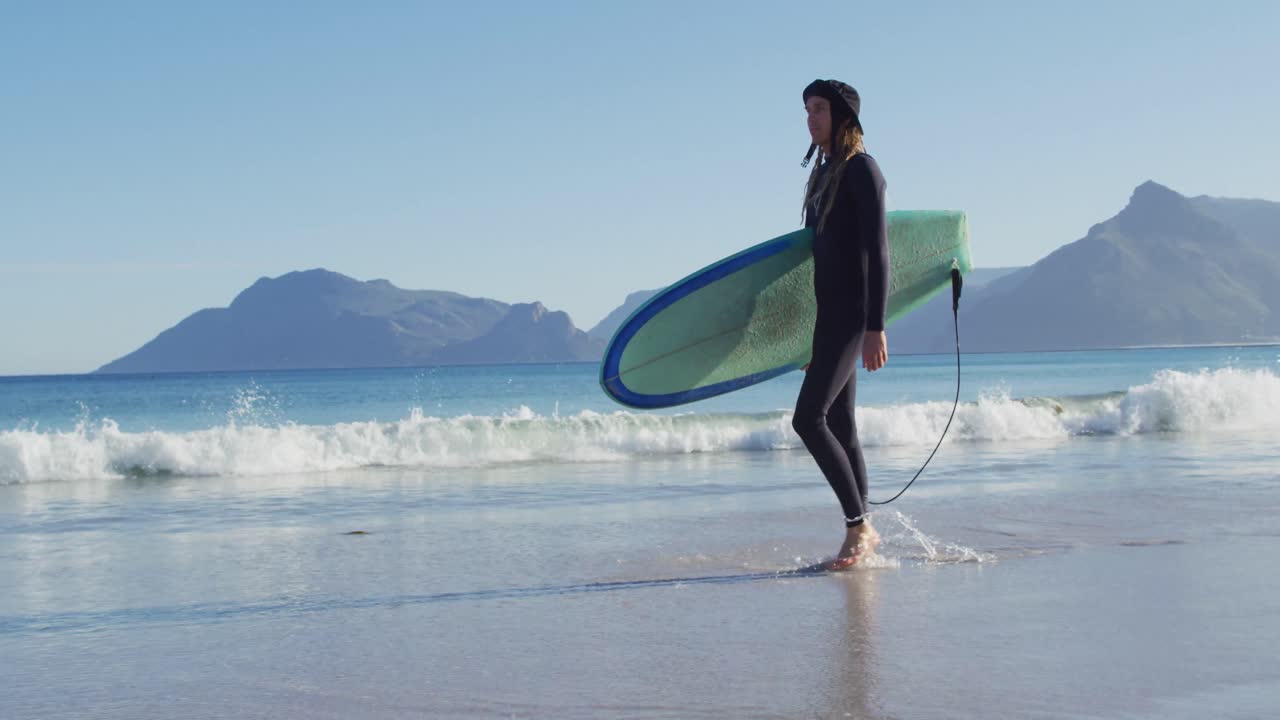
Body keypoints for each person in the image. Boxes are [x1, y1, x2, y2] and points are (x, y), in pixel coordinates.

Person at [792, 79, 890, 570]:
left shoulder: (861, 171)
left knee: (807, 419)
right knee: (839, 421)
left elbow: (879, 250)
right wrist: (809, 334)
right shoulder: (825, 175)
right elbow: (818, 264)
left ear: (843, 117)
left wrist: (875, 326)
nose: (811, 118)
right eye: (807, 110)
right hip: (829, 317)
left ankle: (858, 526)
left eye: (820, 109)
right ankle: (863, 526)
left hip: (853, 315)